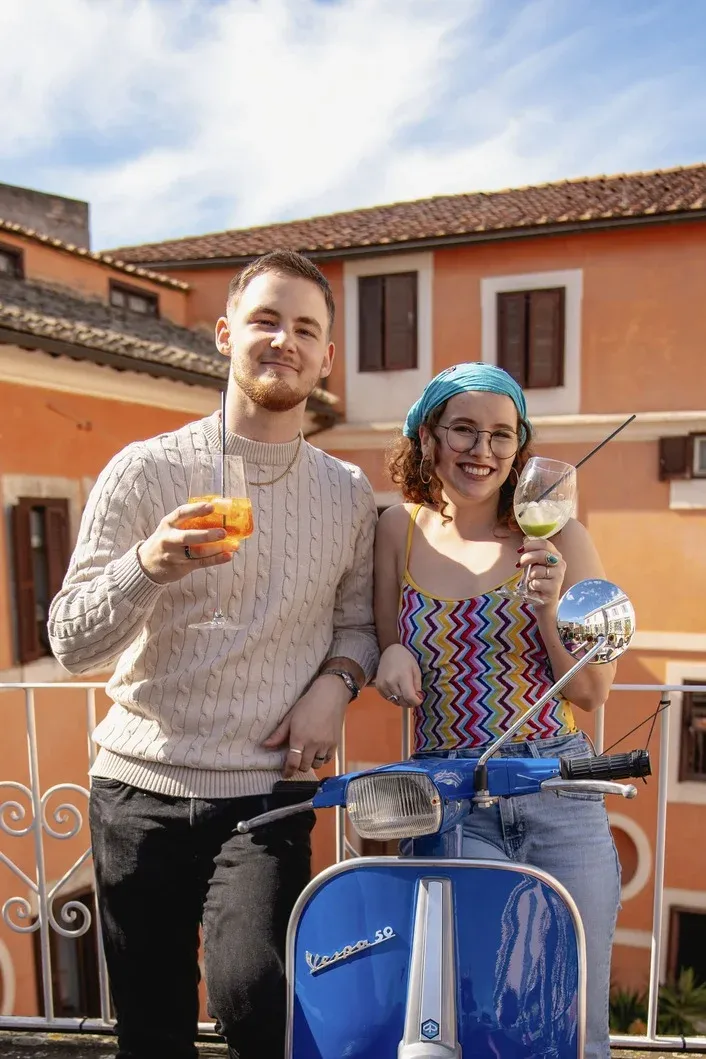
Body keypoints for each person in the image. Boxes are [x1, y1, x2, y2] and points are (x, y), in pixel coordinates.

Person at [48, 249, 379, 1059]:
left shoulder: (346, 493)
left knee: (257, 996)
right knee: (153, 1032)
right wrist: (147, 566)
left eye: (306, 329)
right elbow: (69, 643)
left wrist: (336, 685)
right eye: (266, 320)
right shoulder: (145, 471)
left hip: (268, 792)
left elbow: (359, 626)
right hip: (139, 788)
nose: (284, 341)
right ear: (226, 334)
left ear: (326, 357)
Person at [374, 362, 620, 1059]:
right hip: (450, 798)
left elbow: (592, 691)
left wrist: (548, 607)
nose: (482, 449)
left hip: (559, 789)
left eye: (501, 435)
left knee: (573, 1023)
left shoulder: (561, 537)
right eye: (463, 429)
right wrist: (390, 653)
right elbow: (384, 636)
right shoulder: (398, 529)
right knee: (465, 1012)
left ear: (519, 450)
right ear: (429, 438)